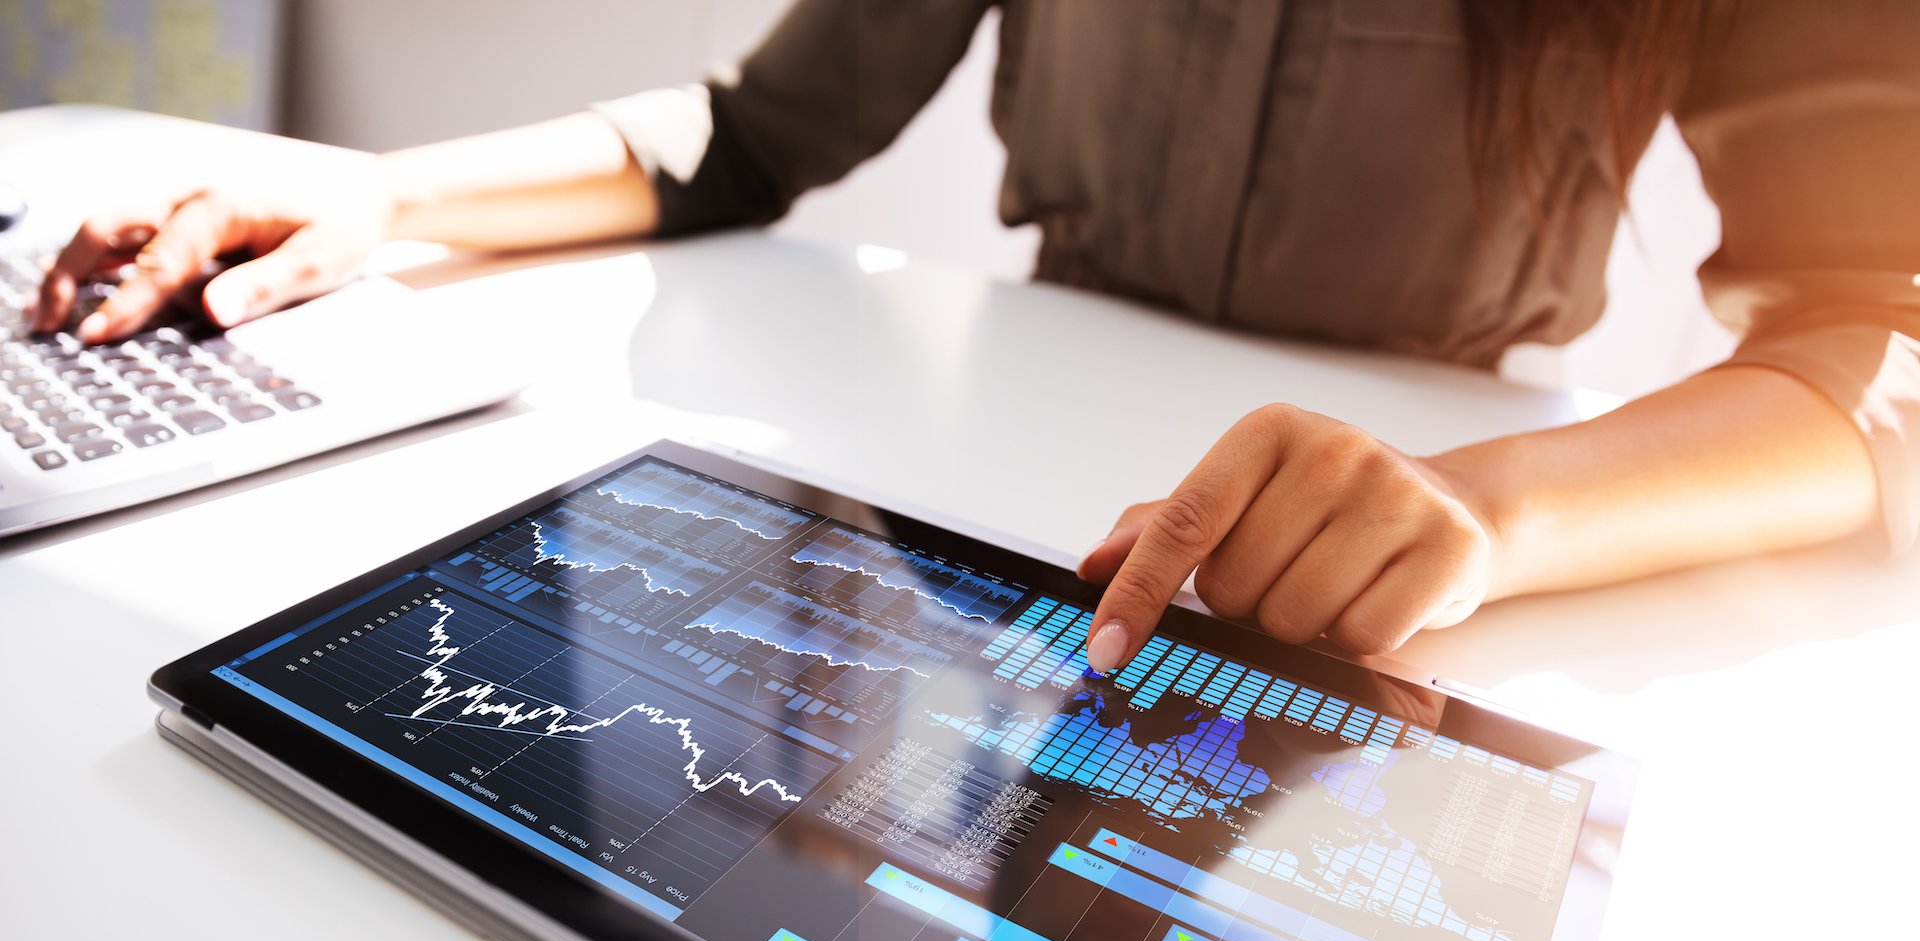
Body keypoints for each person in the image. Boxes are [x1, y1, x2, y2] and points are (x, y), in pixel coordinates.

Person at [32, 0, 1919, 674]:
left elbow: (1872, 347)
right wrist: (386, 193)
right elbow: (755, 130)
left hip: (1395, 591)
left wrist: (1488, 509)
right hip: (1029, 531)